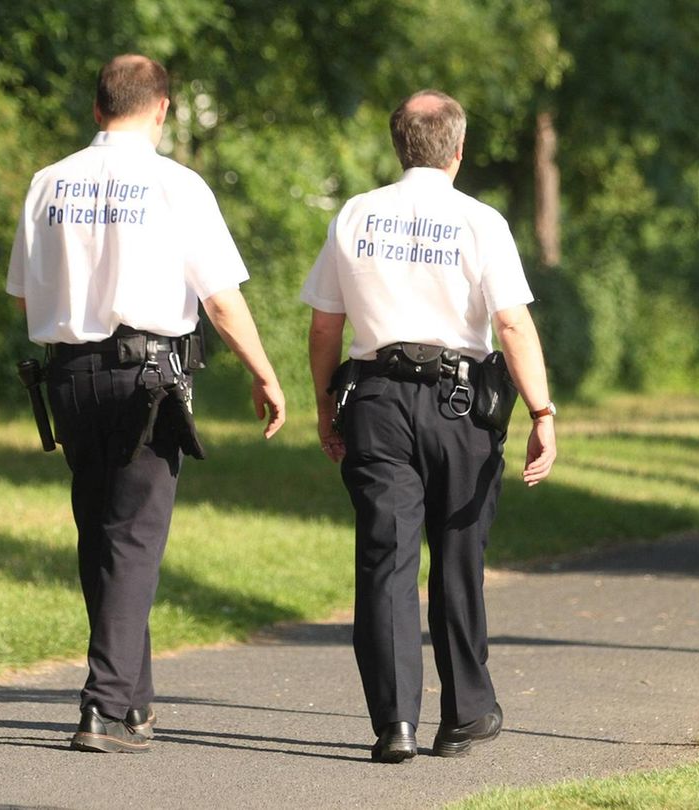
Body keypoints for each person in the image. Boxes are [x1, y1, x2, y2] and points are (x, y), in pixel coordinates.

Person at [6, 54, 285, 753]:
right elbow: (221, 299)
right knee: (132, 539)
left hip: (68, 377)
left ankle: (133, 703)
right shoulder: (175, 184)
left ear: (97, 107)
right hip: (147, 379)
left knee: (101, 532)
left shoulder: (48, 182)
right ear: (161, 108)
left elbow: (25, 297)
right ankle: (101, 708)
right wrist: (263, 372)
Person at [302, 89, 556, 763]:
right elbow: (511, 323)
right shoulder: (480, 221)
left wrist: (325, 408)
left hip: (376, 401)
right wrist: (542, 411)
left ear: (399, 145)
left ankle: (396, 723)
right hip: (460, 404)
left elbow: (326, 326)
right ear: (458, 150)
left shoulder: (356, 214)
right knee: (458, 556)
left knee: (386, 556)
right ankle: (466, 713)